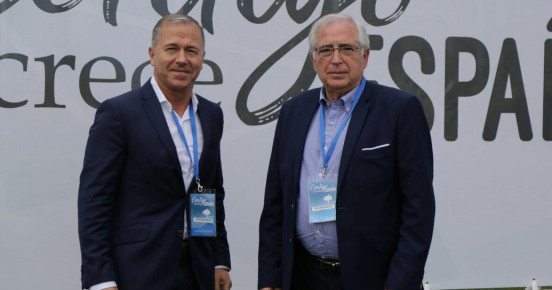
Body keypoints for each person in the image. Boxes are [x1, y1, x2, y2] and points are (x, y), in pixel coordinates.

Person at [258, 13, 436, 290]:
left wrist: (401, 284)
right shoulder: (293, 111)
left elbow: (419, 209)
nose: (336, 59)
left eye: (347, 48)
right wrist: (270, 279)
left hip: (374, 279)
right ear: (313, 59)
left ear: (365, 57)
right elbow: (276, 204)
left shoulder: (400, 110)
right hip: (303, 276)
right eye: (326, 50)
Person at [78, 14, 232, 290]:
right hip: (137, 271)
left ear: (203, 58)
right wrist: (100, 279)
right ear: (152, 54)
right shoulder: (119, 113)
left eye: (192, 51)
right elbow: (94, 203)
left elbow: (211, 191)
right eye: (172, 48)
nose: (182, 59)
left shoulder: (211, 115)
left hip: (198, 270)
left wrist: (219, 259)